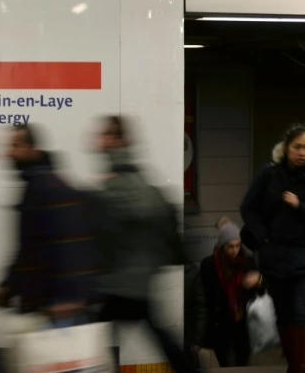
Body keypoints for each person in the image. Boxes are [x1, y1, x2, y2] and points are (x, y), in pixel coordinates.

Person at [93, 115, 194, 373]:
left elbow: (139, 213)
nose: (100, 139)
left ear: (120, 139)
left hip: (121, 280)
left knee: (95, 336)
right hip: (130, 278)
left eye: (107, 134)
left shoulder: (122, 180)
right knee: (151, 332)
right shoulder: (125, 176)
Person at [0, 123, 106, 324]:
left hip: (58, 306)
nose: (9, 153)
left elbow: (71, 245)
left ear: (32, 148)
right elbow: (29, 247)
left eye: (15, 146)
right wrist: (9, 286)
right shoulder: (35, 187)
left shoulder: (50, 189)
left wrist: (68, 299)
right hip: (44, 301)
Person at [240, 124, 305, 373]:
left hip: (302, 257)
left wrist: (299, 205)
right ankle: (293, 364)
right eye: (297, 147)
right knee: (284, 315)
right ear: (286, 148)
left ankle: (299, 366)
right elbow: (248, 207)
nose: (302, 153)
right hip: (275, 258)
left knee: (300, 312)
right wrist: (264, 237)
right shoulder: (270, 174)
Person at [192, 217, 262, 367]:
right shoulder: (209, 266)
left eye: (237, 246)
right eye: (230, 246)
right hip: (221, 328)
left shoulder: (247, 261)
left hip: (243, 326)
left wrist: (258, 280)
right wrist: (199, 337)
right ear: (222, 246)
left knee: (243, 364)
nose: (235, 250)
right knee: (227, 364)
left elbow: (262, 291)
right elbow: (202, 302)